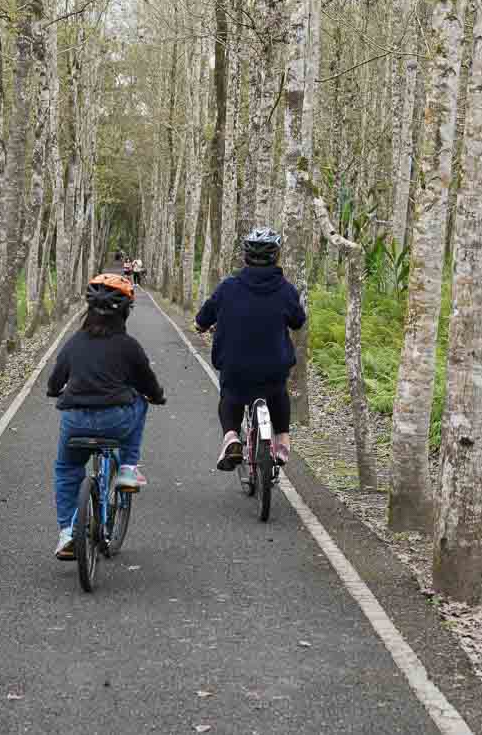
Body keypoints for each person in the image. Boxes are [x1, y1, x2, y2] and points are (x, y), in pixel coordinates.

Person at [47, 273, 165, 560]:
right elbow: (148, 383)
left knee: (67, 469)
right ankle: (127, 467)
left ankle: (67, 534)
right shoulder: (129, 346)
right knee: (141, 401)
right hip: (117, 421)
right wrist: (157, 396)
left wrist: (56, 391)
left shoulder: (74, 342)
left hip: (75, 422)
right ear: (125, 312)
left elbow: (54, 382)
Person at [194, 227, 306, 470]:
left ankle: (231, 437)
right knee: (277, 393)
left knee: (230, 395)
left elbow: (204, 317)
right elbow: (298, 321)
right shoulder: (286, 290)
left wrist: (199, 325)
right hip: (273, 367)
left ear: (246, 256)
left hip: (236, 366)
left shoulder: (228, 287)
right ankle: (283, 440)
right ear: (276, 256)